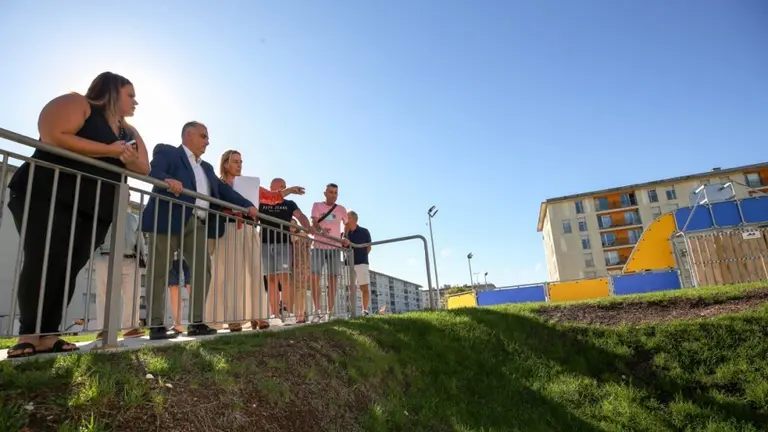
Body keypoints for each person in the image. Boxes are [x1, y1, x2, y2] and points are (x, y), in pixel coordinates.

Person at [6, 72, 149, 358]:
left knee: (69, 266)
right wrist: (109, 150)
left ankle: (49, 335)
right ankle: (28, 334)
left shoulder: (128, 131)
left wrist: (129, 158)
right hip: (49, 191)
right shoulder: (79, 104)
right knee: (44, 258)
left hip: (95, 206)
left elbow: (144, 168)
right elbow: (53, 135)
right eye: (130, 94)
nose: (136, 101)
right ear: (111, 91)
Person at [141, 121, 258, 340]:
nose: (207, 141)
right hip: (168, 217)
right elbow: (152, 170)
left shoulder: (207, 168)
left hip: (196, 223)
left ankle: (196, 322)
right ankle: (156, 324)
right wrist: (167, 179)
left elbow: (223, 190)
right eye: (203, 136)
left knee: (203, 269)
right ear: (189, 135)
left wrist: (247, 205)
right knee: (159, 269)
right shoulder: (167, 152)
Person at [205, 150, 303, 331]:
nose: (239, 164)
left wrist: (288, 191)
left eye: (241, 161)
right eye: (235, 161)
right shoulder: (218, 184)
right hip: (229, 228)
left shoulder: (249, 184)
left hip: (250, 230)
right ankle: (233, 318)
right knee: (232, 274)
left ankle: (258, 315)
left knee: (255, 272)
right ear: (225, 164)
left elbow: (270, 196)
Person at [259, 178, 313, 325]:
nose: (281, 189)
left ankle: (288, 313)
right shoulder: (262, 202)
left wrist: (307, 227)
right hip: (265, 243)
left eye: (283, 187)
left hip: (283, 243)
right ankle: (274, 314)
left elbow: (300, 216)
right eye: (278, 187)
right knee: (270, 279)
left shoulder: (289, 204)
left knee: (284, 278)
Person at [93, 208, 146, 339]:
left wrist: (143, 259)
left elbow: (140, 240)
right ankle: (104, 329)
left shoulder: (135, 218)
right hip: (106, 256)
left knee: (133, 294)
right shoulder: (102, 213)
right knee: (104, 293)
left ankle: (130, 327)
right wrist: (95, 258)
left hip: (130, 258)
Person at [310, 183, 348, 322]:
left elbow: (347, 224)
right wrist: (320, 230)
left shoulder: (341, 209)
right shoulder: (317, 205)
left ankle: (330, 312)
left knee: (333, 279)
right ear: (325, 193)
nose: (333, 195)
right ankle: (317, 311)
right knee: (314, 277)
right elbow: (313, 221)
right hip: (319, 245)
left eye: (336, 193)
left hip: (335, 248)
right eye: (331, 192)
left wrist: (345, 237)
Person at [343, 210, 372, 315]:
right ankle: (353, 312)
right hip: (348, 263)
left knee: (364, 287)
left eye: (347, 217)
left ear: (354, 219)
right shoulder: (344, 233)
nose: (345, 220)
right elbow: (343, 247)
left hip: (361, 262)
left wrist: (362, 257)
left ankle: (364, 310)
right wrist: (345, 233)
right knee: (350, 288)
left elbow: (369, 247)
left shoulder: (364, 231)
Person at [168, 254, 191, 334]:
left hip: (188, 254)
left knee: (190, 285)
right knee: (173, 287)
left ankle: (199, 321)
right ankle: (177, 324)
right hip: (172, 255)